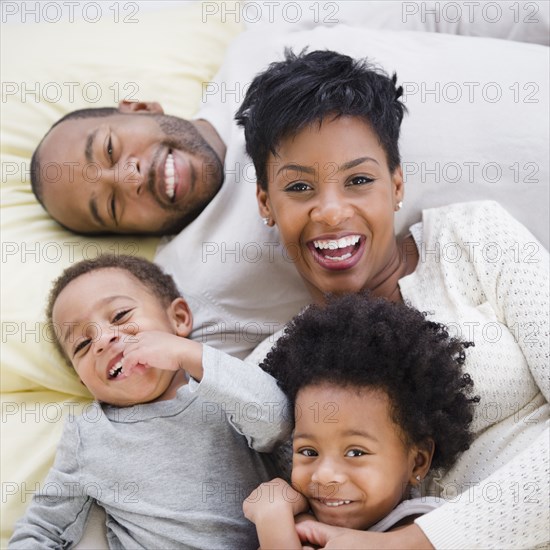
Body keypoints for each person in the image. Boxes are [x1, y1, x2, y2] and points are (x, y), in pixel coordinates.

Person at [236, 49, 549, 549]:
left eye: (358, 180)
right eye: (299, 187)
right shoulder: (272, 370)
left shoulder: (473, 240)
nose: (332, 212)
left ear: (396, 183)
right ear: (266, 204)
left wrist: (408, 545)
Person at [9, 254, 291, 549]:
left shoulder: (219, 385)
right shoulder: (90, 435)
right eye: (82, 344)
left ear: (179, 319)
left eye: (120, 316)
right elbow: (41, 528)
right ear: (85, 382)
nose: (103, 340)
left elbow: (278, 421)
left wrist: (190, 354)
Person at [243, 294, 479, 549]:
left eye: (355, 452)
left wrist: (272, 517)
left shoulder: (424, 525)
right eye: (308, 451)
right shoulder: (302, 519)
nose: (324, 476)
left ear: (417, 462)